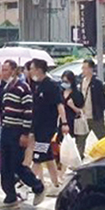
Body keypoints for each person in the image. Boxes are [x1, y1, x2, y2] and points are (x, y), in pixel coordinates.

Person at [0, 60, 45, 210]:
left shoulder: (23, 87)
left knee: (17, 164)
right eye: (2, 69)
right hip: (6, 128)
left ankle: (38, 187)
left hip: (17, 130)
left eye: (6, 70)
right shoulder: (5, 87)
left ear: (13, 71)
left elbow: (28, 112)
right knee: (5, 165)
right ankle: (10, 196)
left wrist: (25, 133)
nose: (3, 72)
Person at [29, 59, 68, 192]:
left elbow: (60, 105)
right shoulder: (37, 85)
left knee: (38, 157)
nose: (30, 71)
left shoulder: (51, 85)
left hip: (47, 129)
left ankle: (31, 184)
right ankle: (56, 184)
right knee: (48, 157)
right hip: (37, 127)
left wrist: (64, 123)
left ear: (39, 69)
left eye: (32, 68)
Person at [76, 59, 105, 156]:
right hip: (84, 117)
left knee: (102, 140)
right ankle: (79, 159)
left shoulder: (97, 83)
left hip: (95, 116)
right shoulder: (82, 82)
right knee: (80, 141)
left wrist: (99, 111)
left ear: (91, 69)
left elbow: (102, 100)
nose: (83, 70)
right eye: (83, 68)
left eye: (85, 68)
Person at [60, 70, 84, 142]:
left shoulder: (77, 94)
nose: (65, 84)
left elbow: (80, 111)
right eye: (63, 81)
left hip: (73, 121)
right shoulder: (60, 92)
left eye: (67, 82)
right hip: (62, 121)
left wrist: (72, 106)